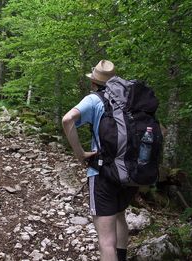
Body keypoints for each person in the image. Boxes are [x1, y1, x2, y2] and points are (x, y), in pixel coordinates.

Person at [62, 60, 138, 261]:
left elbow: (67, 119)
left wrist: (80, 154)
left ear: (94, 82)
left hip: (102, 173)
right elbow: (159, 130)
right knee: (120, 215)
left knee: (106, 241)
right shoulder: (130, 100)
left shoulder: (94, 99)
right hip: (130, 172)